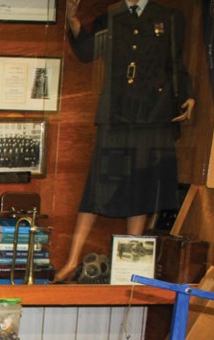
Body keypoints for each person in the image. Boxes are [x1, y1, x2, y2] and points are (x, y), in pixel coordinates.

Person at [55, 0, 194, 282]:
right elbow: (87, 51)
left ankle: (130, 268)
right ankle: (71, 261)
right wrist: (72, 20)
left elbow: (175, 63)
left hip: (152, 114)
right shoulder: (113, 15)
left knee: (142, 188)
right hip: (116, 114)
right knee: (98, 187)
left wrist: (188, 95)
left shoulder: (168, 17)